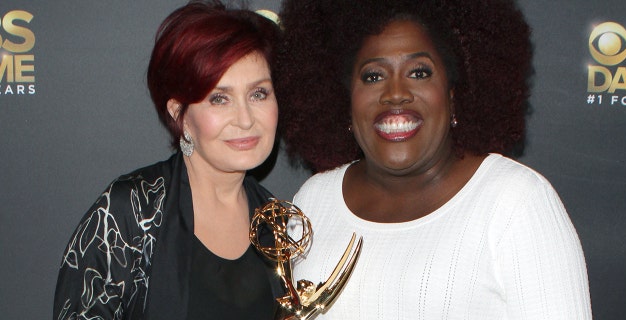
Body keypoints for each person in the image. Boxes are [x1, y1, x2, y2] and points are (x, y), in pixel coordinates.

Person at [275, 0, 592, 318]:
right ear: (344, 100)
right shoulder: (314, 201)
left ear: (454, 97)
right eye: (373, 76)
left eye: (419, 72)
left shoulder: (515, 202)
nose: (395, 93)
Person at [53, 1, 282, 319]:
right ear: (181, 116)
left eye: (259, 94)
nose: (245, 119)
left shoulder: (279, 222)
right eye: (219, 98)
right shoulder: (129, 212)